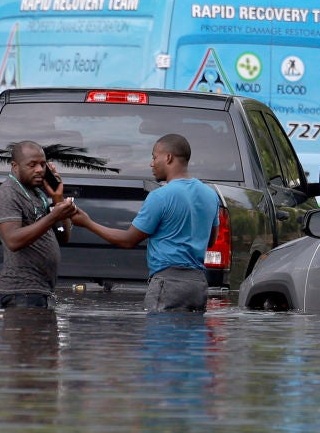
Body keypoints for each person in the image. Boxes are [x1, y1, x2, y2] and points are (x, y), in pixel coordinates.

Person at [72, 133, 220, 313]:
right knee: (191, 339)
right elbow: (210, 241)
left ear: (168, 157)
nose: (152, 163)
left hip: (168, 284)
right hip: (198, 285)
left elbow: (128, 240)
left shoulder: (160, 196)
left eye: (154, 157)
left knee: (161, 339)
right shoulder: (210, 195)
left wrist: (87, 223)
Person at [0, 140, 77, 309]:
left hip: (39, 291)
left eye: (43, 164)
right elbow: (13, 240)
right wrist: (53, 217)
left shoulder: (37, 193)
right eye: (32, 165)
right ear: (15, 166)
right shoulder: (7, 194)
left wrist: (57, 198)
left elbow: (64, 236)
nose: (39, 169)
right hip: (21, 292)